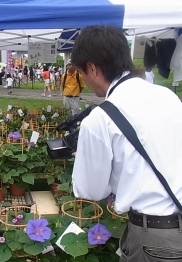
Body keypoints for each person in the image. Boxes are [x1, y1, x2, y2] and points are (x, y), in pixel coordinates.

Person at [70, 26, 182, 262]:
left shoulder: (100, 119)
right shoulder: (168, 97)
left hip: (153, 237)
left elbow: (91, 190)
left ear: (92, 68)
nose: (85, 81)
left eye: (81, 73)